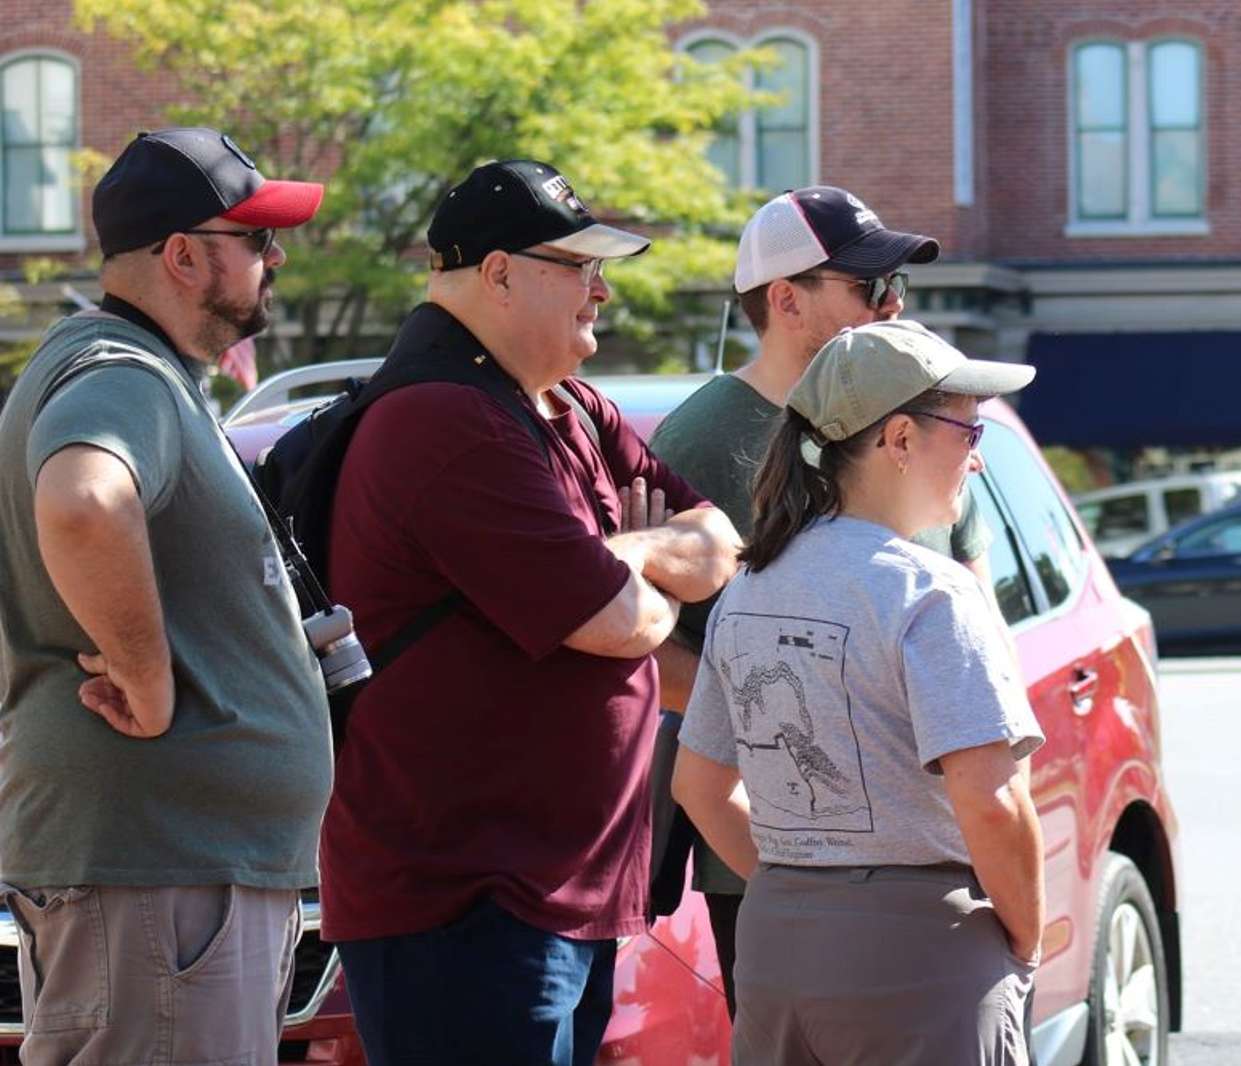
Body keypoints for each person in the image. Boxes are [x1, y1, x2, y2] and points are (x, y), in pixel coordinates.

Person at [316, 160, 741, 1066]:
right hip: (471, 907)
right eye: (578, 266)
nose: (604, 289)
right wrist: (637, 569)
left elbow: (717, 541)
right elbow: (623, 623)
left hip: (553, 897)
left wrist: (632, 558)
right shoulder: (443, 420)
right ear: (498, 272)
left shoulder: (573, 407)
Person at [0, 127, 330, 1064]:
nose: (277, 257)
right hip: (162, 885)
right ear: (182, 256)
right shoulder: (123, 372)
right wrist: (148, 682)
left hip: (172, 883)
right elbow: (83, 501)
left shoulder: (136, 374)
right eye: (256, 238)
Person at [644, 185, 991, 1014]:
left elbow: (981, 614)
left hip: (942, 845)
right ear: (786, 299)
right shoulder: (693, 443)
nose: (895, 303)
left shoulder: (926, 419)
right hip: (775, 855)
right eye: (871, 287)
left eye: (898, 284)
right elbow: (648, 645)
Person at [674, 319, 1043, 1065]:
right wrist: (1024, 938)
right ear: (900, 439)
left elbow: (700, 786)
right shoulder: (929, 590)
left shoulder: (750, 584)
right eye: (969, 435)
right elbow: (992, 801)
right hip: (921, 952)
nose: (977, 462)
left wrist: (810, 886)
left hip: (778, 944)